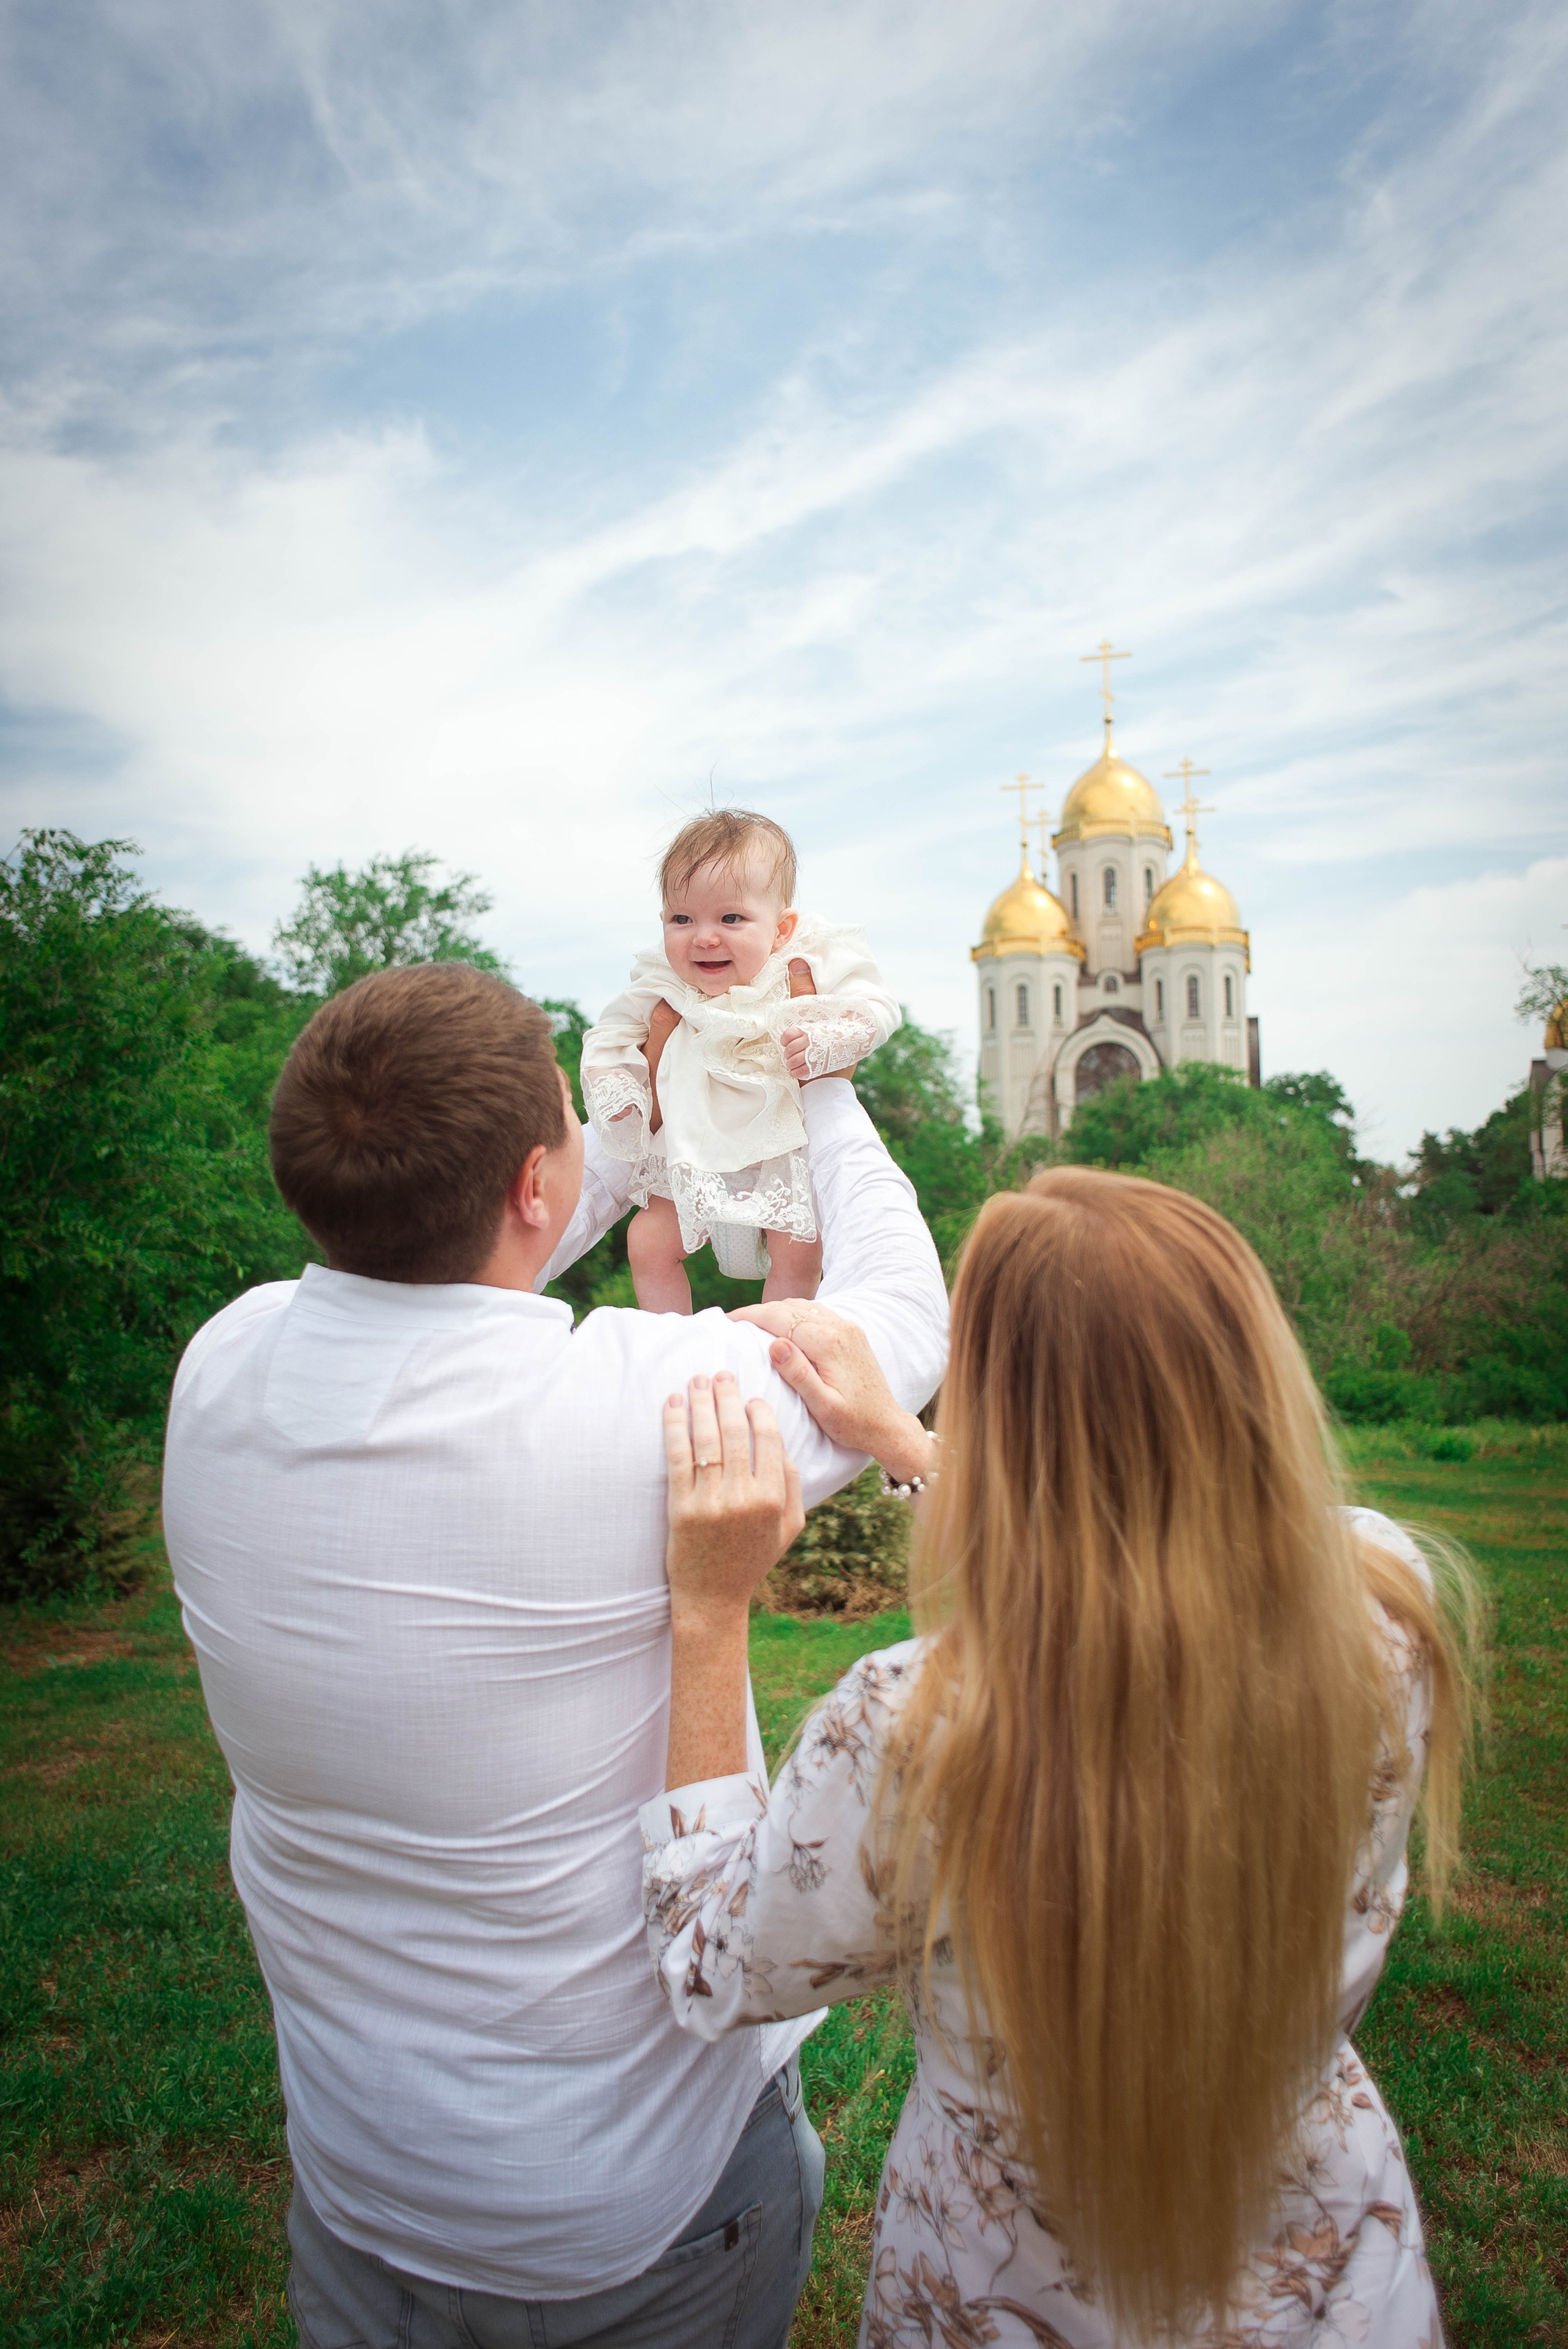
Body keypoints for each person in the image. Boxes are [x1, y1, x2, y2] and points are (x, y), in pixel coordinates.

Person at [160, 959, 946, 2349]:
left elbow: (449, 1241)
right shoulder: (642, 1406)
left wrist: (619, 1111)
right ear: (535, 1181)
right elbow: (903, 1319)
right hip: (639, 2210)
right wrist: (804, 1071)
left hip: (359, 2187)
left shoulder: (220, 1368)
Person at [643, 1167, 1477, 2348]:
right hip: (1332, 2265)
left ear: (1003, 1407)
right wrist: (904, 1442)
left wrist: (709, 1613)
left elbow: (712, 1965)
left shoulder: (913, 1722)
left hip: (1007, 2289)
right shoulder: (1387, 1603)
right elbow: (1143, 1552)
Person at [581, 809, 900, 1310]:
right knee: (646, 1241)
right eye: (682, 919)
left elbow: (876, 1005)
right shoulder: (662, 979)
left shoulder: (805, 957)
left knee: (799, 1251)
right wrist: (619, 1091)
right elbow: (609, 1035)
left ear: (781, 928)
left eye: (731, 918)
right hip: (688, 1152)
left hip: (779, 1151)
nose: (704, 937)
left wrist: (827, 1039)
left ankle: (775, 1346)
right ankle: (672, 1346)